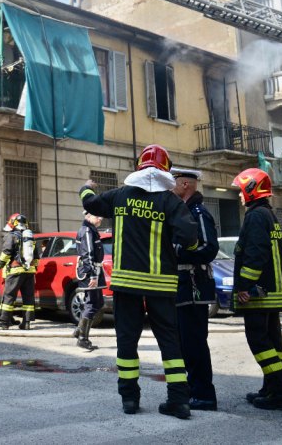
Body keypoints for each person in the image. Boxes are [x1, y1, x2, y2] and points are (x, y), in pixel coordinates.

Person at [80, 144, 199, 419]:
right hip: (161, 285)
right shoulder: (169, 201)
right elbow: (190, 237)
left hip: (127, 284)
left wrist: (85, 187)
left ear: (138, 167)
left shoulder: (120, 195)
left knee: (127, 340)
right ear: (165, 170)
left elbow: (90, 203)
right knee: (169, 341)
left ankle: (130, 399)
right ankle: (179, 401)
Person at [231, 167, 282, 411]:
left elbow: (255, 254)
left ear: (251, 189)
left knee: (258, 341)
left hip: (260, 294)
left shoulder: (256, 216)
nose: (239, 195)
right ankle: (270, 388)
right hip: (272, 291)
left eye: (241, 190)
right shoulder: (268, 214)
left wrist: (244, 285)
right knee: (273, 342)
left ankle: (281, 391)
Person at [170, 167, 220, 411]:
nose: (170, 186)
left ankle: (204, 395)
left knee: (195, 343)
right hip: (182, 289)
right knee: (185, 343)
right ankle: (194, 389)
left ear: (185, 184)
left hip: (194, 287)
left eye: (173, 181)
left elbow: (209, 248)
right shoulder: (183, 211)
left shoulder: (198, 212)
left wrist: (177, 252)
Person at [0, 213, 40, 330]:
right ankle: (26, 323)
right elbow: (36, 257)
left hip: (16, 270)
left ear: (14, 224)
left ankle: (4, 322)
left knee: (9, 296)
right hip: (29, 272)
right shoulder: (30, 238)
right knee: (28, 298)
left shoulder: (12, 236)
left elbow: (6, 252)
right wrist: (34, 269)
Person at [73, 210, 106, 351]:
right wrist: (93, 275)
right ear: (88, 216)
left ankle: (79, 330)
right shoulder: (87, 230)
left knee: (98, 302)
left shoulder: (91, 229)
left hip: (95, 270)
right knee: (92, 304)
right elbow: (88, 254)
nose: (100, 218)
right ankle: (82, 339)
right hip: (90, 272)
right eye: (97, 215)